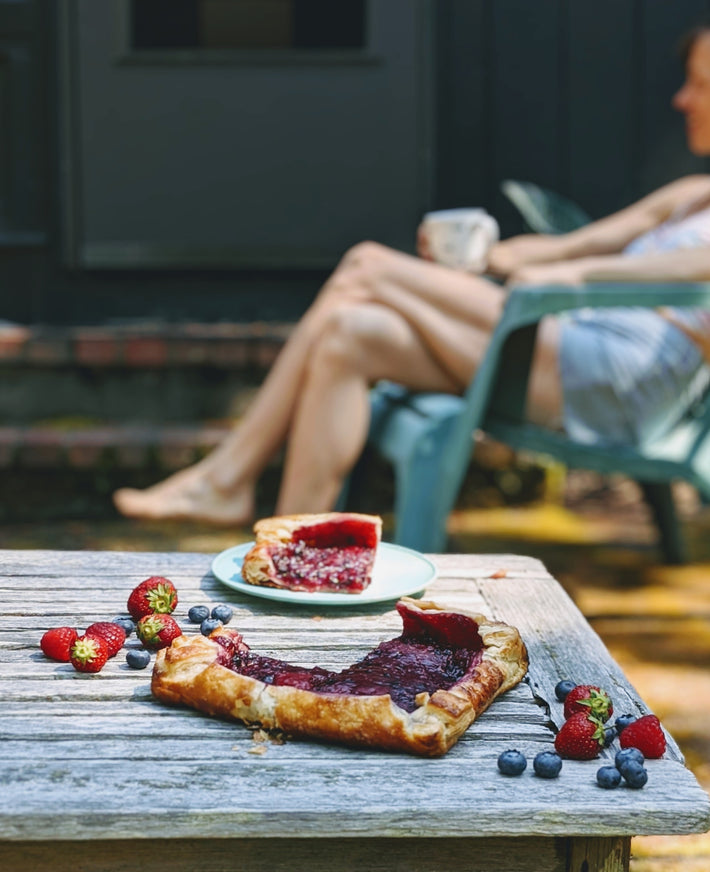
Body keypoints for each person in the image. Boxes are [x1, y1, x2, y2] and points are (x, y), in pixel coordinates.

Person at [113, 24, 710, 527]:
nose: (682, 99)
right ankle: (295, 549)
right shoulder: (689, 195)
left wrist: (572, 280)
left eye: (701, 85)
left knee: (368, 263)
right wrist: (485, 256)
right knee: (349, 334)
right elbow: (566, 247)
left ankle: (226, 478)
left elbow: (676, 266)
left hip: (614, 380)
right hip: (562, 343)